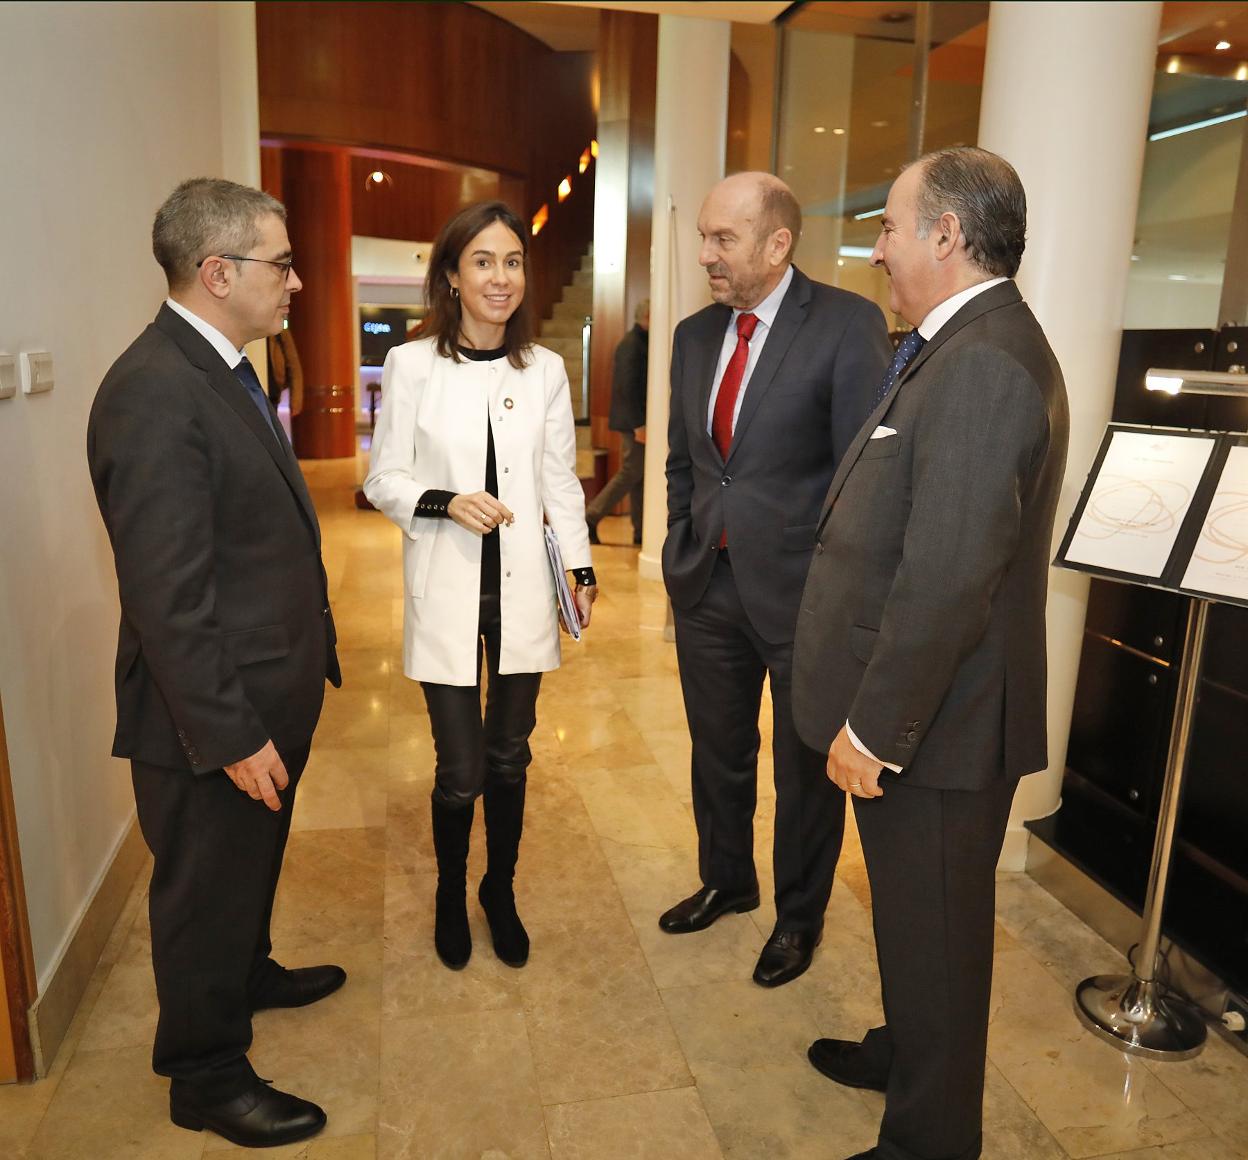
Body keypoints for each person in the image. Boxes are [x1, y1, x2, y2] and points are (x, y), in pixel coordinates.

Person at [792, 147, 1069, 1160]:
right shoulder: (954, 346)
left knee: (940, 940)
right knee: (914, 925)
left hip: (936, 728)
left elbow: (951, 575)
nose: (878, 252)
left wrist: (874, 724)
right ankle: (905, 1047)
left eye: (891, 228)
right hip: (925, 713)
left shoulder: (988, 362)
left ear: (947, 236)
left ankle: (931, 1135)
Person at [87, 178, 343, 1149]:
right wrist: (232, 732)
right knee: (201, 891)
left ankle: (248, 970)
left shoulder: (222, 368)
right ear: (217, 271)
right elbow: (168, 597)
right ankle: (203, 1071)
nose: (296, 279)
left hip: (261, 689)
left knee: (242, 870)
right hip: (210, 714)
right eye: (281, 262)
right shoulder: (155, 391)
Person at [659, 172, 891, 987]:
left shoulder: (846, 325)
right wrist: (680, 545)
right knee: (717, 751)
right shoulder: (693, 336)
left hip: (804, 598)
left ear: (777, 242)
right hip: (707, 585)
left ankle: (799, 919)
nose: (706, 255)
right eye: (706, 238)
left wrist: (843, 596)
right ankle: (727, 878)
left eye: (723, 239)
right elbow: (685, 464)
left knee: (803, 772)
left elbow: (861, 477)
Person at [364, 201, 595, 972]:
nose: (502, 278)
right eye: (484, 262)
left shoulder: (546, 371)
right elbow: (384, 476)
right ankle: (448, 894)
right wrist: (443, 501)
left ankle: (500, 889)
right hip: (449, 586)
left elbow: (559, 479)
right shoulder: (411, 364)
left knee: (511, 757)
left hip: (524, 589)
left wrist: (580, 567)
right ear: (452, 277)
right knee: (460, 770)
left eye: (513, 261)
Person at [586, 298, 649, 545]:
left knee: (639, 476)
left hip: (637, 422)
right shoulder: (632, 345)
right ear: (647, 316)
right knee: (631, 472)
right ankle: (591, 516)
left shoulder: (639, 342)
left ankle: (641, 531)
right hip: (634, 424)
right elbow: (627, 388)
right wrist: (639, 425)